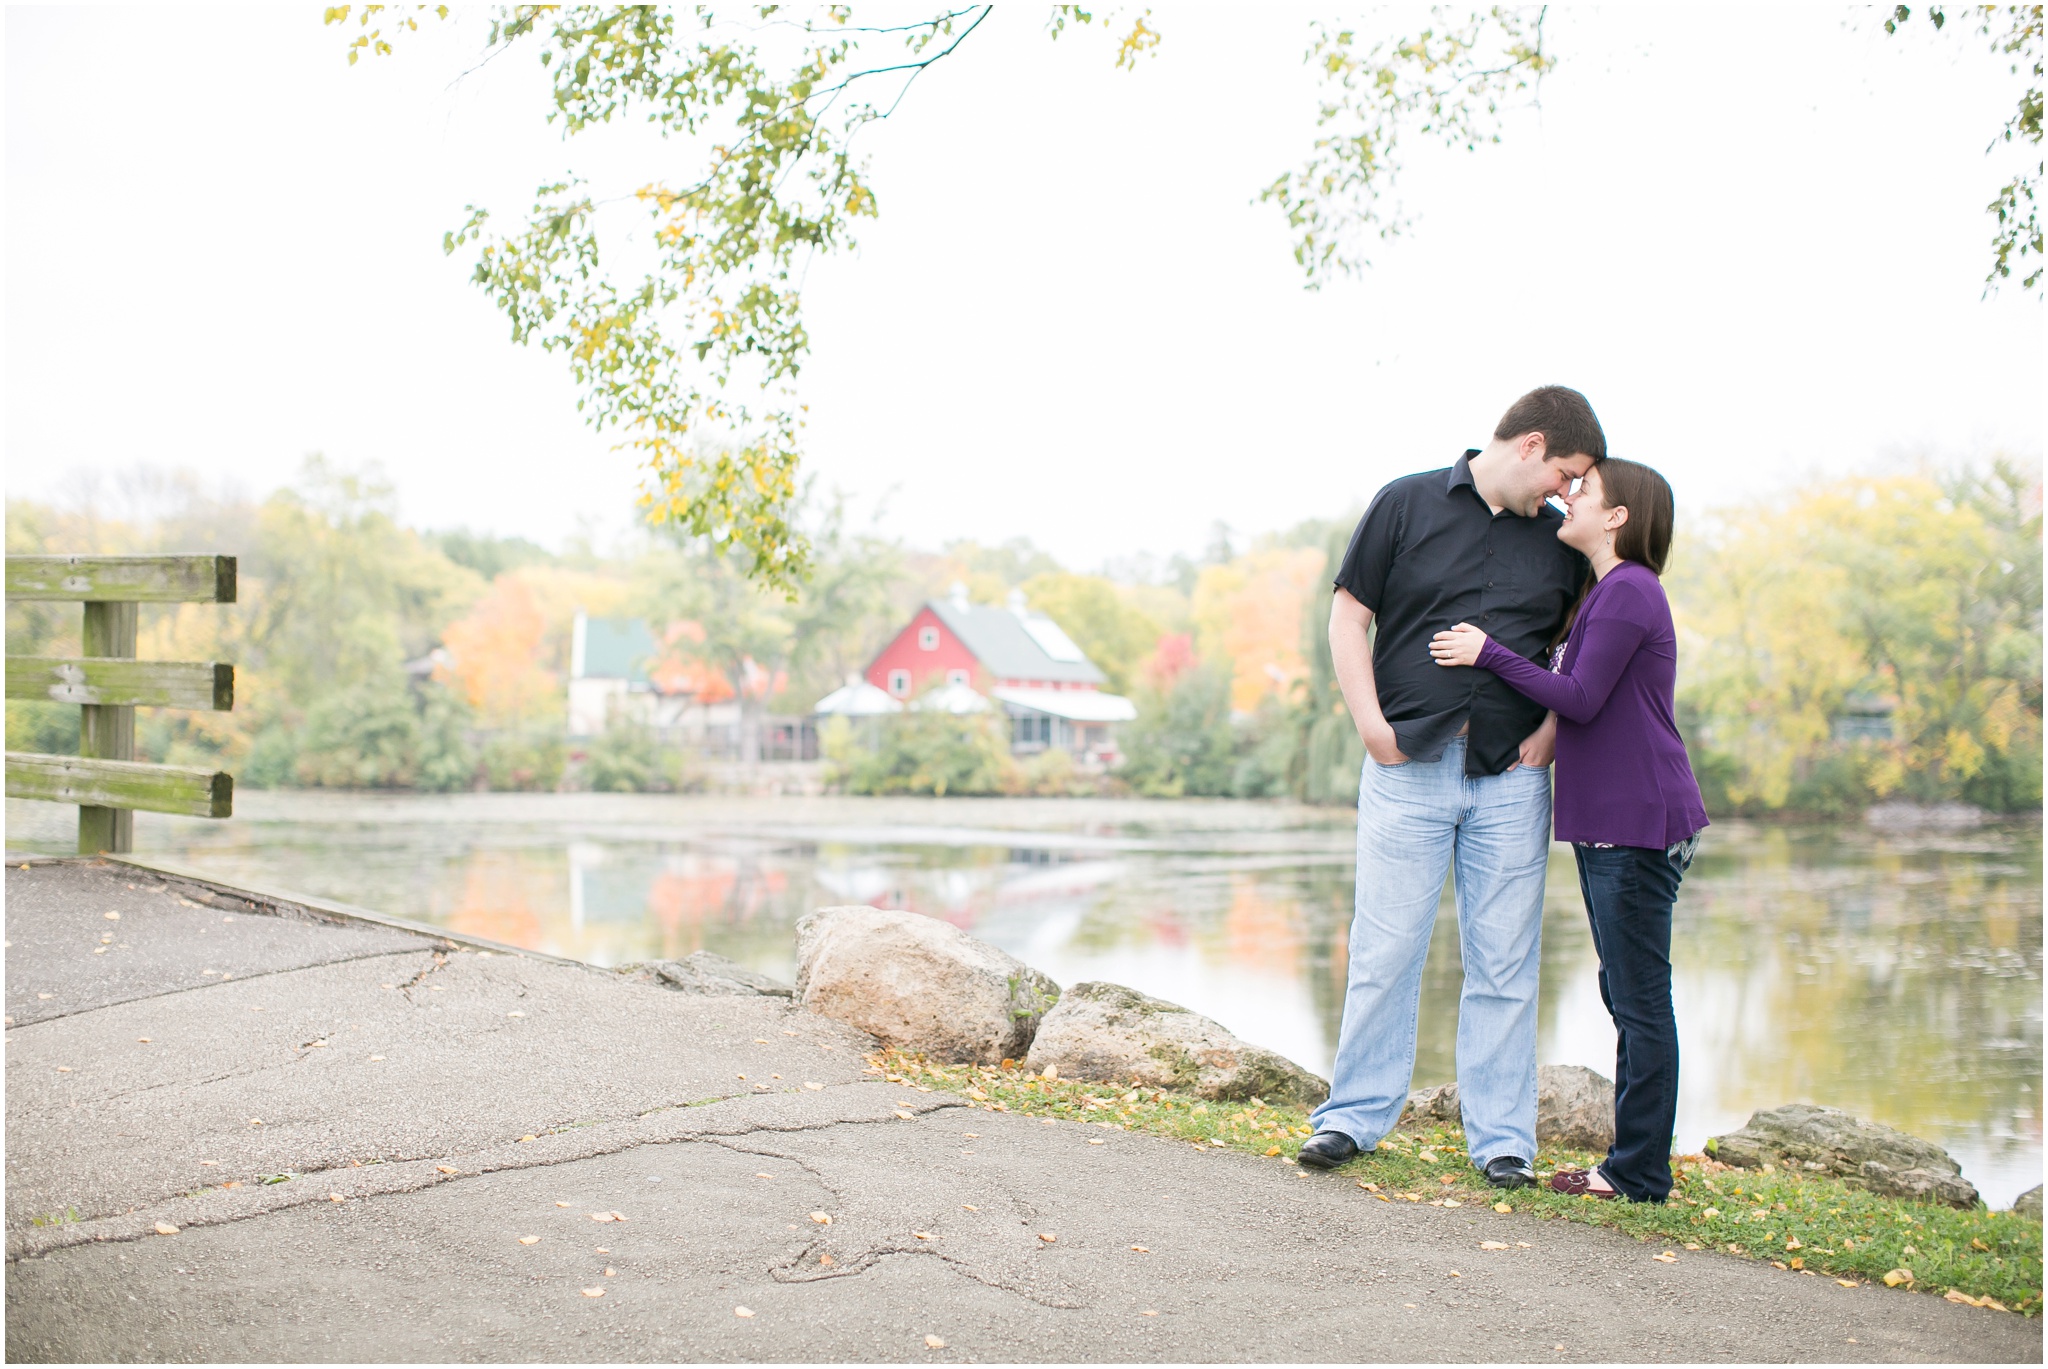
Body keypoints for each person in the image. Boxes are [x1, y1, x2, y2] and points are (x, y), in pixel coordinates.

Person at [1298, 385, 1605, 1190]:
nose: (1567, 492)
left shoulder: (1560, 543)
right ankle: (1351, 1118)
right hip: (1407, 769)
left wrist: (1547, 732)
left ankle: (1503, 1141)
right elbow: (1346, 616)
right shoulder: (1404, 503)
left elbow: (1580, 643)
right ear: (1531, 444)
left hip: (1510, 778)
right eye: (1567, 473)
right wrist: (1370, 725)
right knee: (1384, 949)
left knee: (1505, 961)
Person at [1427, 457, 1708, 1203]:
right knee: (1627, 992)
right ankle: (1636, 1164)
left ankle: (1639, 1171)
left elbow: (1580, 698)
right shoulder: (1610, 592)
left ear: (1618, 517)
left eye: (1584, 492)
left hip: (1638, 823)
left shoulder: (1628, 592)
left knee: (1640, 1000)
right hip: (1616, 824)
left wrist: (1489, 652)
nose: (1569, 499)